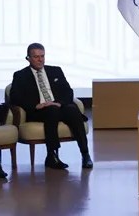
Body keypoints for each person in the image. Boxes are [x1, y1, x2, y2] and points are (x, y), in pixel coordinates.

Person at [9, 42, 92, 170]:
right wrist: (36, 105)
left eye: (42, 56)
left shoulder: (55, 70)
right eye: (36, 57)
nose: (40, 59)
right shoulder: (20, 75)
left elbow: (68, 91)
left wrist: (59, 103)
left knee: (72, 109)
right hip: (38, 111)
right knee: (51, 111)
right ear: (28, 58)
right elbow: (15, 97)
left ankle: (85, 154)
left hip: (56, 106)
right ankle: (51, 155)